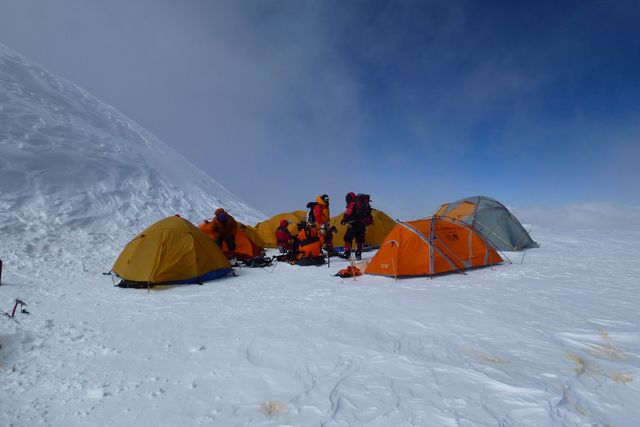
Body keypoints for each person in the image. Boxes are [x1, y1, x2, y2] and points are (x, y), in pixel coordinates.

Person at [341, 192, 366, 260]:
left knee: (348, 238)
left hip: (353, 224)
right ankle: (358, 253)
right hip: (362, 224)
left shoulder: (352, 204)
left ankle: (347, 253)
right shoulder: (361, 204)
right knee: (359, 240)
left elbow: (348, 213)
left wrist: (344, 219)